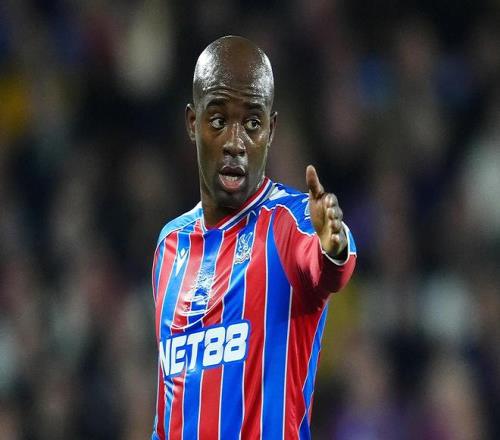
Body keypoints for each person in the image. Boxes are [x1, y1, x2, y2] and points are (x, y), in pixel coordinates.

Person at [151, 35, 356, 440]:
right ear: (192, 123)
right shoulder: (169, 246)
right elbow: (170, 407)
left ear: (271, 130)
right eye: (218, 120)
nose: (235, 143)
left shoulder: (290, 222)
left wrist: (334, 246)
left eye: (252, 124)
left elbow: (327, 266)